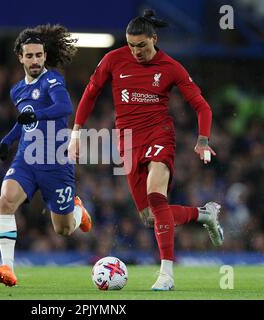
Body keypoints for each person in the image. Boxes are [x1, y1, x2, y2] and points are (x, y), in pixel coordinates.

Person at [68, 10, 224, 291]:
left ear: (154, 39)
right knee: (150, 216)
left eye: (142, 45)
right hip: (127, 141)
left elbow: (202, 106)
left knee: (156, 197)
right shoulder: (113, 60)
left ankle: (166, 274)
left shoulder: (171, 67)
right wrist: (77, 131)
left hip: (159, 134)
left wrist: (202, 139)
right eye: (131, 46)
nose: (136, 51)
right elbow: (91, 92)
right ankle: (204, 215)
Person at [0, 24, 92, 287]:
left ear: (45, 56)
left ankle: (77, 212)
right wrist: (8, 140)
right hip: (27, 157)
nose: (35, 60)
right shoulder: (16, 90)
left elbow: (64, 107)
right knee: (6, 201)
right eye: (29, 56)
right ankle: (8, 268)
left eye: (39, 55)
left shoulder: (53, 80)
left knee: (64, 229)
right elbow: (25, 120)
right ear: (20, 57)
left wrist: (38, 114)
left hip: (56, 161)